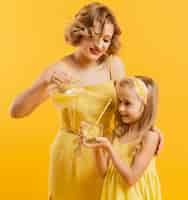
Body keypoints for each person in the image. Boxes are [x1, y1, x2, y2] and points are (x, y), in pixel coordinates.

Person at [9, 3, 163, 200]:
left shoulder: (113, 66)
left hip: (105, 153)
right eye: (94, 36)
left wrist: (151, 130)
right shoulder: (59, 69)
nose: (99, 45)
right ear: (79, 32)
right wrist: (45, 84)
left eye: (106, 39)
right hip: (69, 156)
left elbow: (130, 103)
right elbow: (16, 111)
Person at [82, 76, 162, 200]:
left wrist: (109, 148)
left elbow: (131, 178)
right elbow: (104, 173)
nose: (120, 108)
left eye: (127, 103)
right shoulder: (118, 134)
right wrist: (96, 147)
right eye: (119, 101)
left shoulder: (150, 137)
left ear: (145, 106)